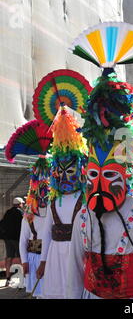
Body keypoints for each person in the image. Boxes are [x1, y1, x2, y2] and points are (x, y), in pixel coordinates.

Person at [66, 27, 133, 298]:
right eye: (93, 175)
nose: (99, 184)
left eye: (110, 175)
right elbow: (74, 267)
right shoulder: (84, 215)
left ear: (127, 171)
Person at [36, 106, 87, 299]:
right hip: (55, 257)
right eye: (60, 170)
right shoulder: (53, 200)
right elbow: (47, 233)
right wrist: (43, 261)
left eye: (70, 170)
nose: (65, 176)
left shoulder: (84, 199)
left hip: (78, 257)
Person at [19, 157, 50, 297]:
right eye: (40, 196)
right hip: (34, 259)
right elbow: (23, 241)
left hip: (50, 258)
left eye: (46, 196)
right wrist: (24, 261)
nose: (43, 200)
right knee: (37, 293)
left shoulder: (53, 213)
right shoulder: (28, 217)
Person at [0, 197, 24, 286]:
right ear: (20, 204)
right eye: (22, 203)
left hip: (8, 239)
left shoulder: (8, 212)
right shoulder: (21, 212)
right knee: (22, 257)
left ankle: (8, 278)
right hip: (17, 239)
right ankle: (24, 278)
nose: (23, 205)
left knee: (9, 257)